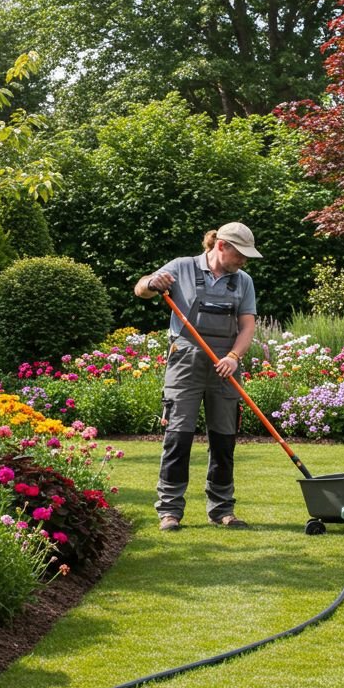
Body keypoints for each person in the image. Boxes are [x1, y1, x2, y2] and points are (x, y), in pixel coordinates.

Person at [134, 221, 261, 531]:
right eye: (240, 253)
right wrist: (153, 282)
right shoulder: (182, 267)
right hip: (185, 361)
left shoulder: (242, 281)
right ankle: (170, 511)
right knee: (178, 436)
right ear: (221, 246)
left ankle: (222, 509)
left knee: (223, 439)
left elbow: (247, 326)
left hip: (224, 366)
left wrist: (234, 357)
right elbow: (141, 289)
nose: (243, 260)